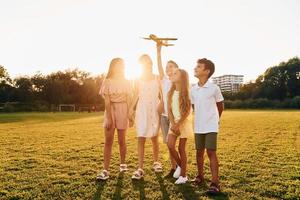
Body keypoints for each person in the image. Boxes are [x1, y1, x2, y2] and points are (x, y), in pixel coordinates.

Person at [190, 58, 224, 194]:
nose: (195, 68)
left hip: (211, 125)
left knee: (210, 151)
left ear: (207, 71)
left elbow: (220, 105)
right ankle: (200, 176)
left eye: (198, 66)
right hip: (198, 125)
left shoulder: (214, 88)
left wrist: (215, 119)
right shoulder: (193, 89)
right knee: (199, 152)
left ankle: (215, 183)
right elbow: (194, 107)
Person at [96, 58, 132, 180]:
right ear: (112, 66)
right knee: (108, 141)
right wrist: (109, 117)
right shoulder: (107, 81)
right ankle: (105, 170)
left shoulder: (127, 82)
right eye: (117, 65)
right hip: (110, 109)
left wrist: (129, 116)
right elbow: (106, 101)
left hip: (123, 109)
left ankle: (122, 164)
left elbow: (129, 100)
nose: (120, 67)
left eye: (122, 65)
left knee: (122, 141)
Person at [130, 54, 163, 180]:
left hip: (155, 108)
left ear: (151, 63)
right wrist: (130, 109)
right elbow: (135, 95)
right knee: (141, 137)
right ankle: (140, 168)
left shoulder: (157, 78)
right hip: (142, 109)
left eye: (149, 62)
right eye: (144, 62)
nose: (147, 64)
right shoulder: (137, 79)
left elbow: (162, 93)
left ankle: (156, 162)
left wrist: (162, 104)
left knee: (155, 136)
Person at [167, 68, 193, 184]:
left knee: (181, 148)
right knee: (170, 145)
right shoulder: (170, 93)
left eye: (175, 73)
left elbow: (187, 111)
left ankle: (184, 176)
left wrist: (179, 124)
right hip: (174, 123)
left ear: (182, 78)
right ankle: (180, 165)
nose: (172, 74)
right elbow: (169, 110)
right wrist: (173, 124)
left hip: (183, 122)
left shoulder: (186, 92)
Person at [156, 43, 178, 177]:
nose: (167, 68)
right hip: (164, 117)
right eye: (167, 66)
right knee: (169, 145)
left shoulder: (178, 81)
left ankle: (180, 167)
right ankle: (173, 168)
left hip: (174, 117)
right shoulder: (164, 80)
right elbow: (159, 65)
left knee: (173, 144)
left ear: (176, 68)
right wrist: (158, 50)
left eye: (171, 66)